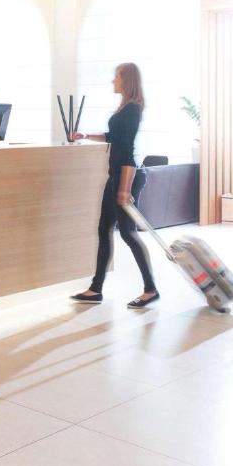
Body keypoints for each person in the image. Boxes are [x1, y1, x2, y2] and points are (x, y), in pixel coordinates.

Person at [69, 62, 159, 308]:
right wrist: (86, 136)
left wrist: (124, 189)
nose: (113, 81)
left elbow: (127, 152)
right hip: (116, 176)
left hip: (126, 176)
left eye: (116, 77)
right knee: (104, 229)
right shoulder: (126, 108)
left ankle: (150, 289)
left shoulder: (132, 109)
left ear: (126, 80)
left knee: (128, 233)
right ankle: (95, 289)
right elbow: (114, 138)